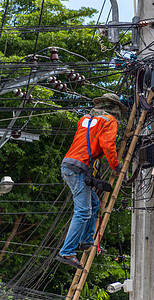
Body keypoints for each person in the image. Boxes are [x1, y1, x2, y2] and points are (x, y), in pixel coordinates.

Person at [56, 93, 127, 269]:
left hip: (70, 165)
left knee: (94, 204)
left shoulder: (85, 119)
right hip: (78, 169)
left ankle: (86, 240)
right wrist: (115, 165)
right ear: (114, 108)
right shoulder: (109, 120)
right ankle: (67, 252)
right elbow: (108, 144)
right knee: (83, 212)